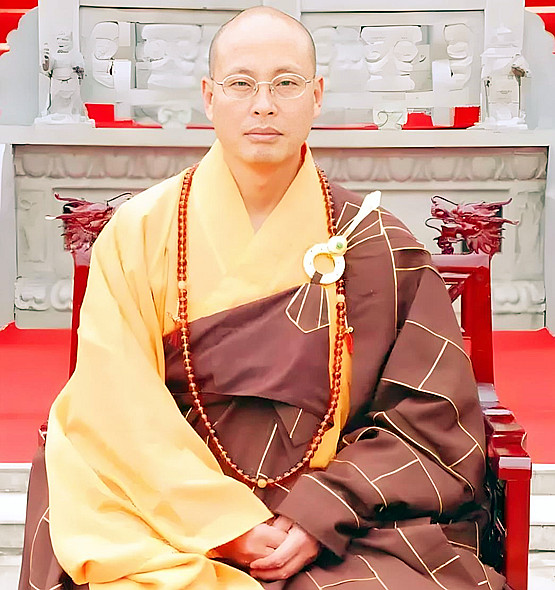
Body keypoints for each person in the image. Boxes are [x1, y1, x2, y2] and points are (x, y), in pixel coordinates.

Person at [19, 7, 505, 590]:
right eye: (241, 83)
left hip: (339, 525)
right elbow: (115, 404)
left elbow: (429, 416)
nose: (264, 105)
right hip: (164, 514)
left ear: (317, 95)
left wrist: (322, 511)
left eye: (286, 83)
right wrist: (225, 526)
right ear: (209, 96)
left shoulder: (376, 243)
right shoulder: (138, 233)